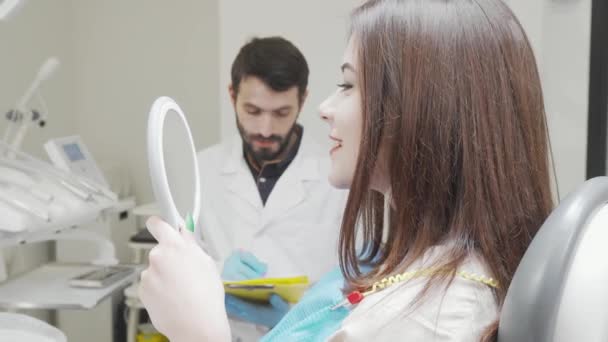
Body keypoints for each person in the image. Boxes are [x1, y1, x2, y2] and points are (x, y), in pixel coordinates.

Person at [138, 0, 554, 341]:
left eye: (349, 85)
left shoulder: (430, 320)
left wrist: (199, 333)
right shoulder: (419, 268)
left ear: (422, 111)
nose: (326, 109)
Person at [195, 36, 348, 340]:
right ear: (232, 95)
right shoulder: (200, 169)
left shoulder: (340, 176)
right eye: (252, 111)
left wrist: (298, 318)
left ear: (302, 101)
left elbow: (359, 287)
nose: (265, 129)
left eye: (281, 113)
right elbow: (175, 264)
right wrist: (214, 272)